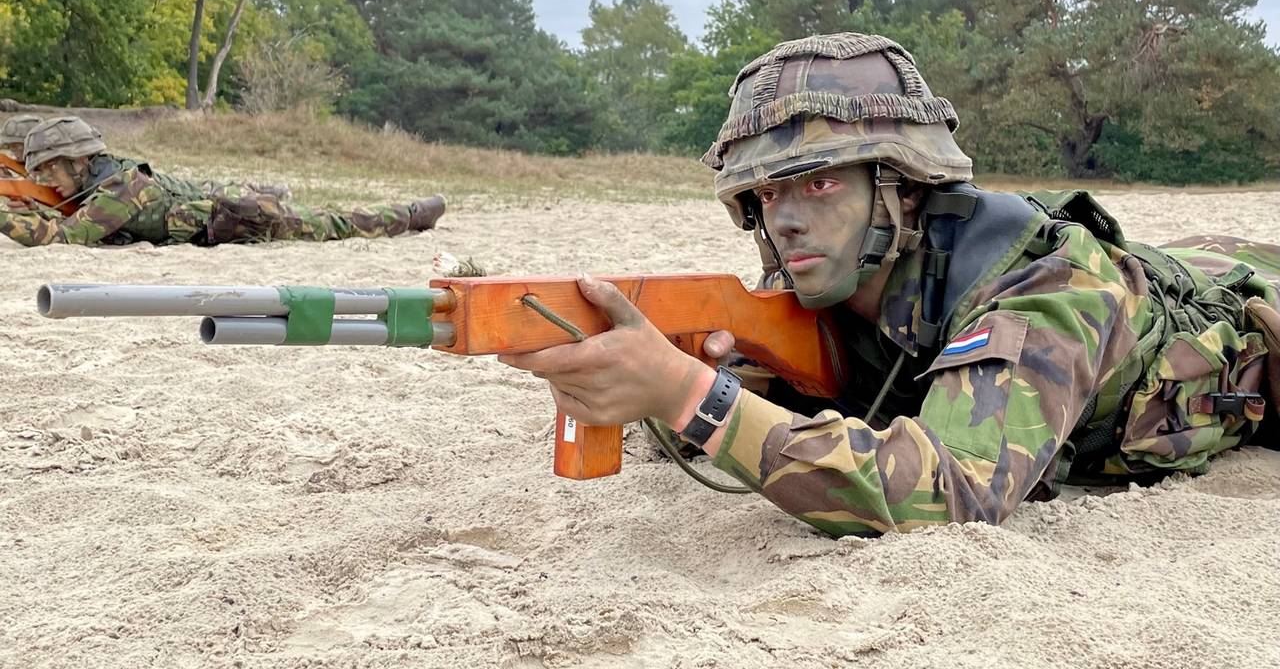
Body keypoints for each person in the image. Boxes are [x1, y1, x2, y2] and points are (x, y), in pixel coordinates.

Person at [499, 32, 1280, 537]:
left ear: (902, 186)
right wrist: (692, 377)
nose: (788, 222)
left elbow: (954, 494)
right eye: (767, 197)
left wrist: (689, 396)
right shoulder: (827, 282)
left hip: (1237, 301)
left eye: (819, 186)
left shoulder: (1044, 290)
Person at [0, 116, 446, 246]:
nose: (48, 182)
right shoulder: (100, 185)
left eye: (50, 171)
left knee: (330, 223)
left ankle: (408, 216)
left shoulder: (121, 187)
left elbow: (66, 236)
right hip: (216, 206)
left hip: (233, 214)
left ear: (77, 160)